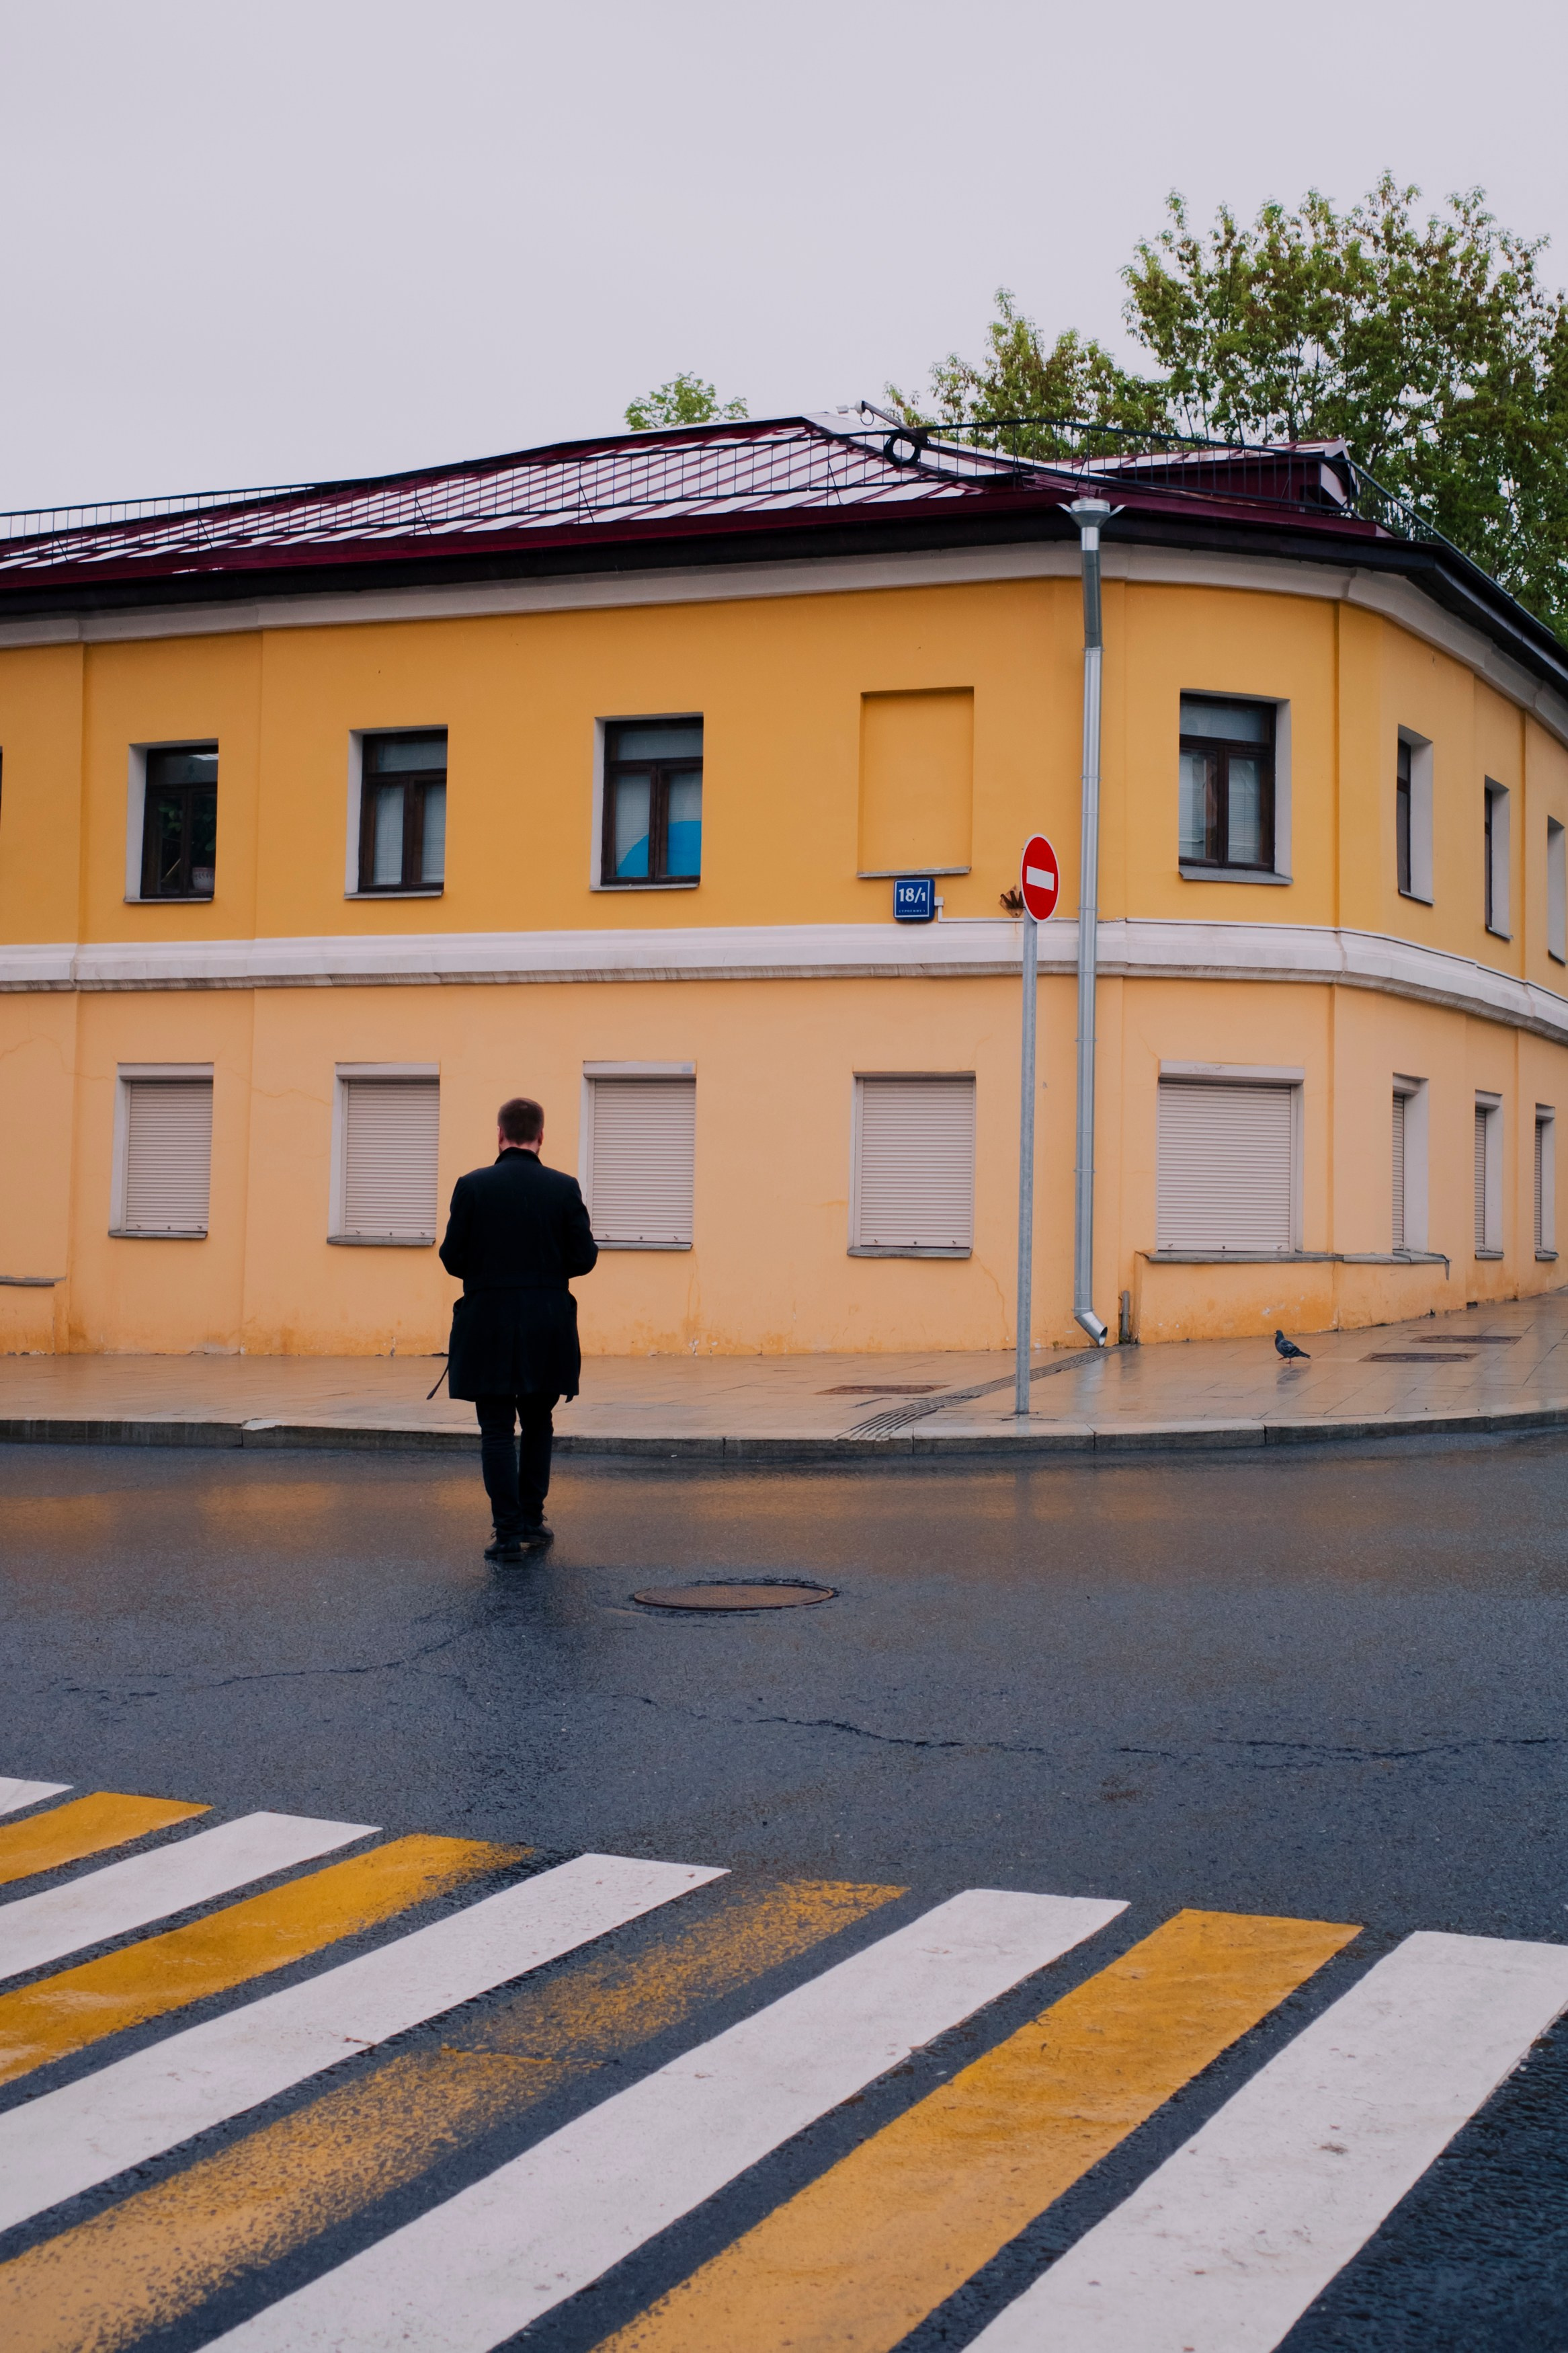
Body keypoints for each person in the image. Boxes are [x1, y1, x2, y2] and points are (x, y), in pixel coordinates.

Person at [438, 1095, 598, 1562]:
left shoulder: (472, 1185)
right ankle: (532, 1520)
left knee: (495, 1428)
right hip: (546, 1321)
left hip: (488, 1318)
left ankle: (506, 1533)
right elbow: (584, 1259)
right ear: (541, 1136)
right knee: (538, 1422)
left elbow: (452, 1258)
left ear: (500, 1134)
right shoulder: (563, 1187)